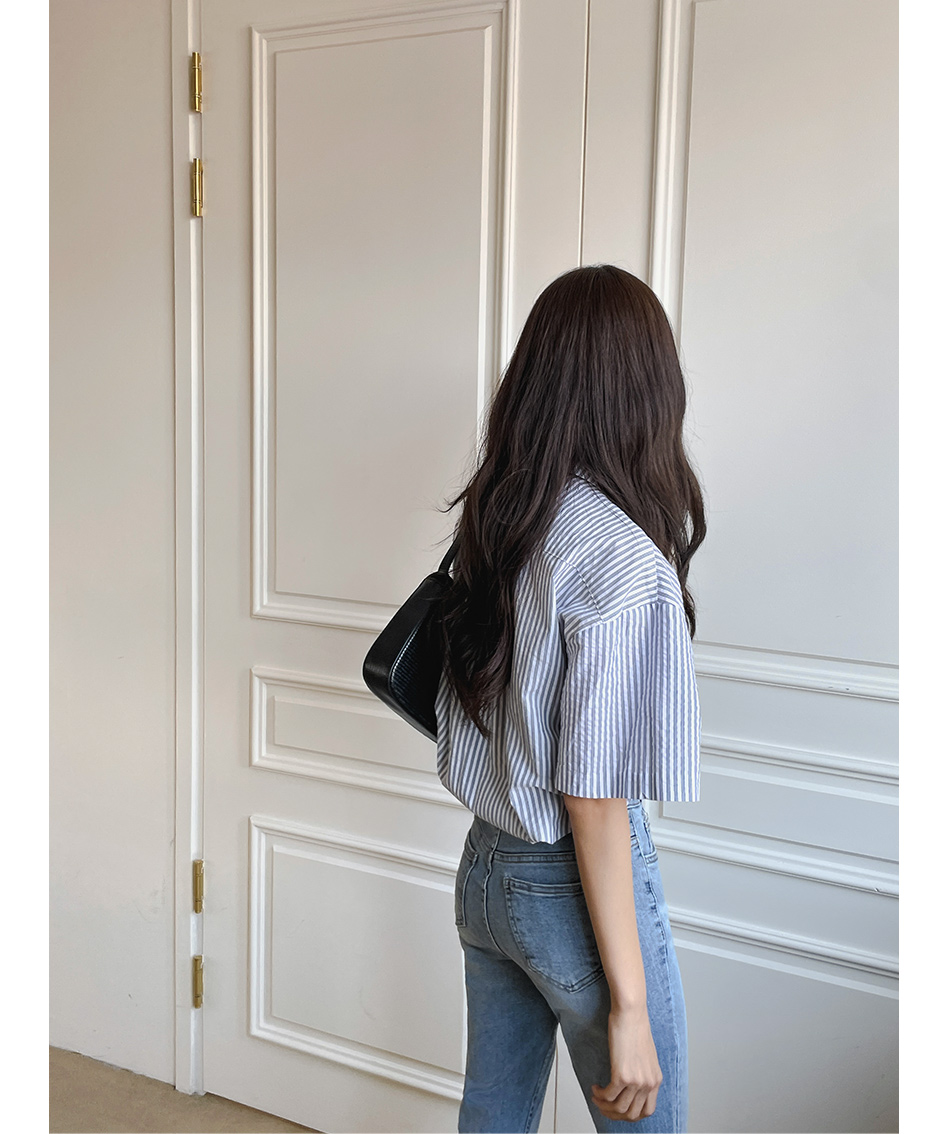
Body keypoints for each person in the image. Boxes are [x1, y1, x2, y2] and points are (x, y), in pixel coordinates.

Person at [432, 264, 706, 1134]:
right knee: (648, 1123)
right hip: (567, 890)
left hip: (486, 869)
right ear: (646, 389)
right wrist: (630, 1005)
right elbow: (591, 796)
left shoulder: (507, 516)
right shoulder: (620, 557)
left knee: (494, 1115)